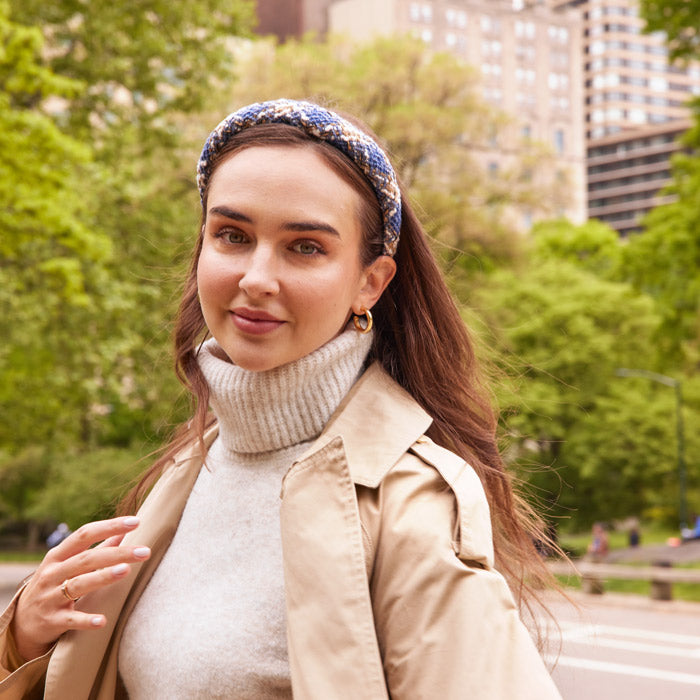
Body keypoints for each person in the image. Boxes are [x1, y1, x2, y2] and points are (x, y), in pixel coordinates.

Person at [0, 99, 562, 699]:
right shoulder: (185, 475)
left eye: (305, 247)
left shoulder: (411, 502)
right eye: (232, 236)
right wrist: (24, 639)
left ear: (370, 282)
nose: (256, 278)